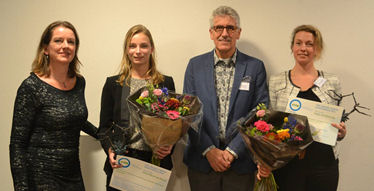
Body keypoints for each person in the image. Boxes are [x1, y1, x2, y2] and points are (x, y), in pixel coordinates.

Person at [183, 6, 269, 191]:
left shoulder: (255, 67)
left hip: (241, 161)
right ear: (211, 33)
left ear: (238, 33)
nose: (224, 33)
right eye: (219, 28)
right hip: (202, 160)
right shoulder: (194, 66)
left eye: (230, 28)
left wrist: (233, 150)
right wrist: (209, 150)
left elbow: (260, 111)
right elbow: (188, 113)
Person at [9, 21, 98, 191]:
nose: (65, 46)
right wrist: (21, 187)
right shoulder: (31, 87)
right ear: (45, 48)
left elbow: (74, 118)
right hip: (41, 175)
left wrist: (103, 134)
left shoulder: (79, 82)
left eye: (71, 42)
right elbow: (17, 144)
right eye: (58, 41)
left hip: (73, 173)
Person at [267, 24, 347, 191]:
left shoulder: (332, 82)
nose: (303, 48)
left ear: (317, 48)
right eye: (298, 43)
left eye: (309, 44)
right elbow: (271, 124)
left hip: (324, 165)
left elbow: (338, 122)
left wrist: (340, 133)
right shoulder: (276, 81)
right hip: (288, 165)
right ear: (292, 47)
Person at [98, 24, 175, 191]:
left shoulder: (165, 83)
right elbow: (103, 128)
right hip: (122, 161)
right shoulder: (113, 84)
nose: (138, 51)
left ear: (151, 49)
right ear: (126, 50)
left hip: (154, 164)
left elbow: (172, 124)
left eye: (143, 45)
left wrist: (169, 146)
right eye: (132, 46)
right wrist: (110, 150)